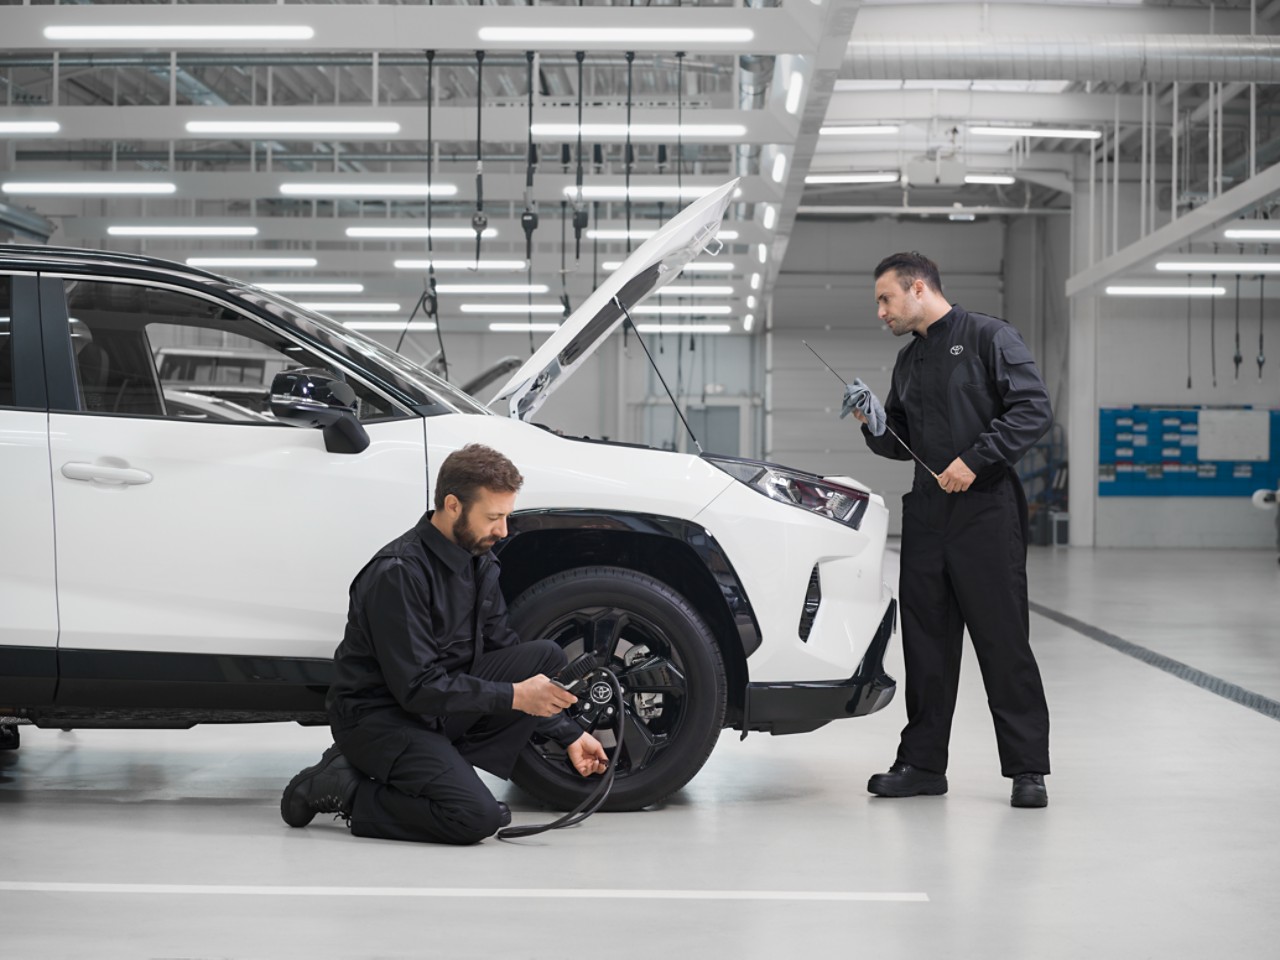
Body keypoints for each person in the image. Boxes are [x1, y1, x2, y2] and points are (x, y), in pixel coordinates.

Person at [280, 443, 609, 843]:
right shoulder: (399, 574)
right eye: (493, 517)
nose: (503, 531)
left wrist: (569, 733)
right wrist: (514, 697)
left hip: (437, 709)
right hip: (381, 719)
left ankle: (440, 769)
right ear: (452, 505)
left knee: (544, 657)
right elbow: (418, 688)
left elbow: (508, 655)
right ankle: (345, 787)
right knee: (474, 818)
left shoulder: (479, 560)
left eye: (505, 516)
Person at [842, 252, 1053, 809]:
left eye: (886, 299)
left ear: (917, 289)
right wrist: (874, 424)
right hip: (929, 517)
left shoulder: (989, 337)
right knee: (927, 646)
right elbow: (900, 441)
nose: (881, 312)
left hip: (986, 512)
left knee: (1002, 642)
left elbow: (1032, 409)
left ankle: (1028, 768)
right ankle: (922, 763)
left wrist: (976, 459)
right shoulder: (908, 362)